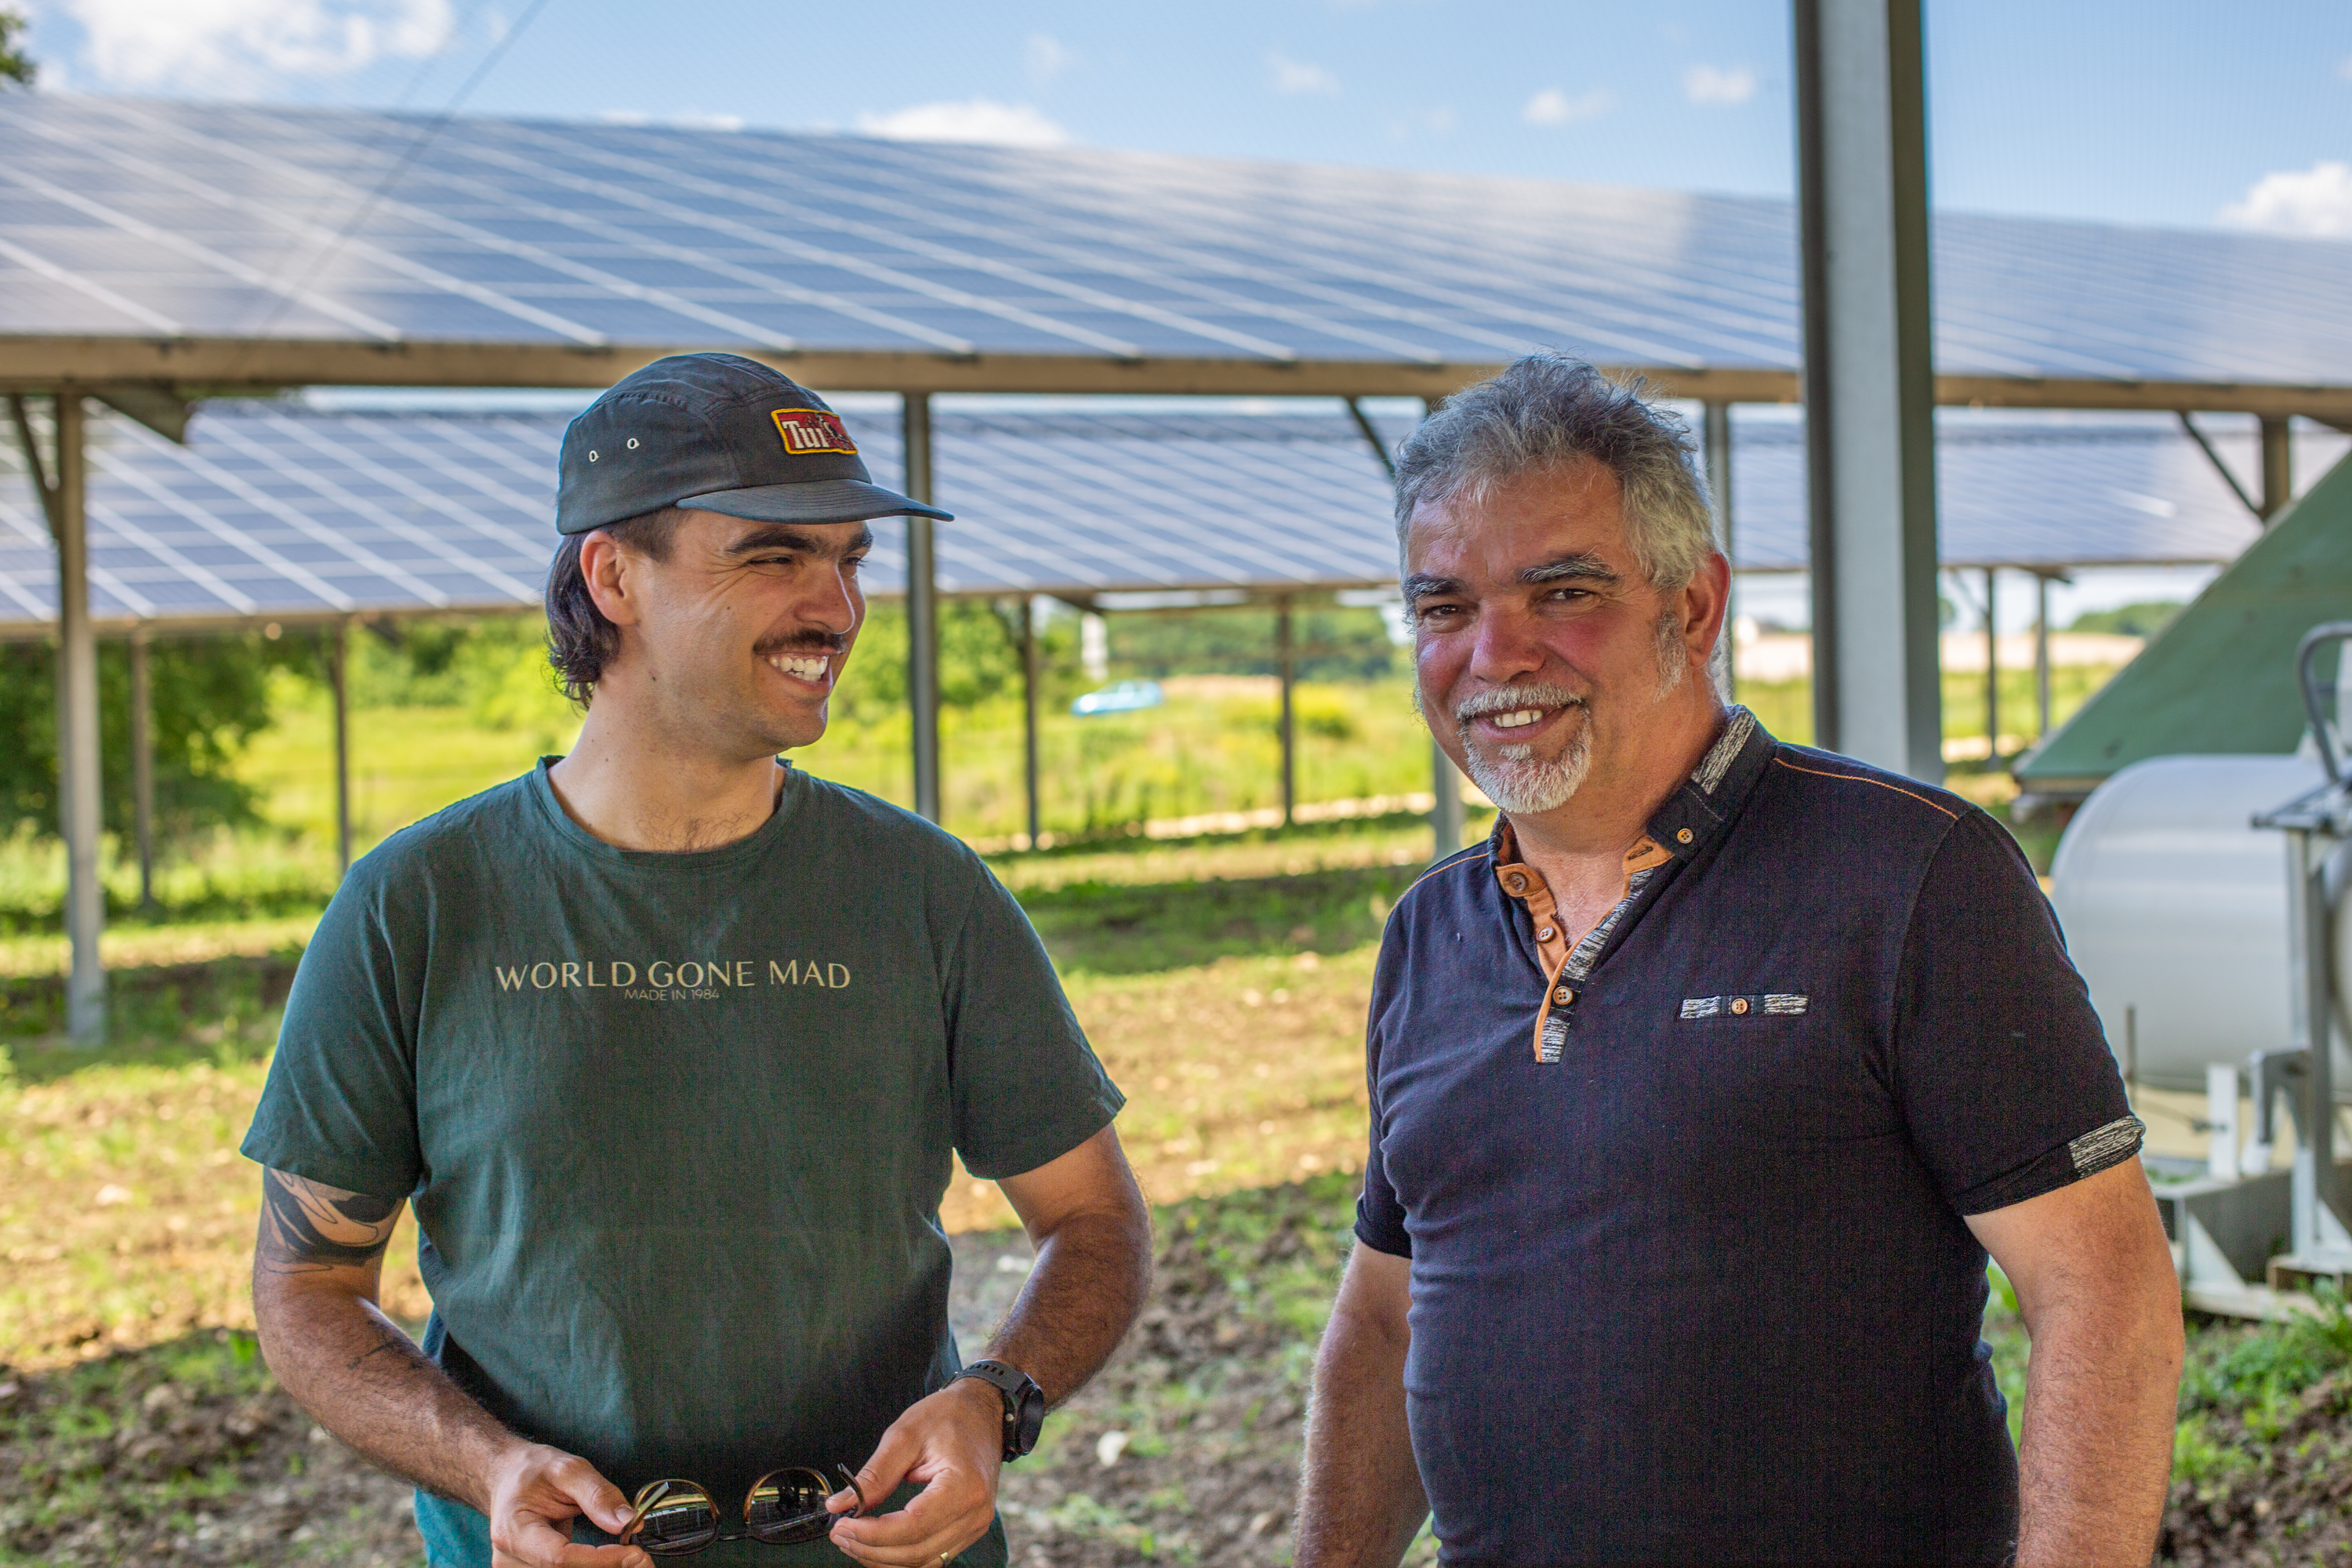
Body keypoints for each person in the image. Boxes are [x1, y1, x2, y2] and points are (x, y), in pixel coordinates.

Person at [243, 354, 1153, 1568]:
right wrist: (490, 1468)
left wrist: (994, 1398)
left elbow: (1092, 1219)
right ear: (613, 574)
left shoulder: (927, 894)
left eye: (850, 559)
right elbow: (307, 1288)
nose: (836, 606)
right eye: (775, 555)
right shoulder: (418, 906)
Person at [1295, 355, 2183, 1567]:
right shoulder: (1430, 936)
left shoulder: (1909, 875)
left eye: (1560, 593)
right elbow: (1390, 1318)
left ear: (1695, 605)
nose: (1492, 654)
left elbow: (2103, 1291)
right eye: (1444, 608)